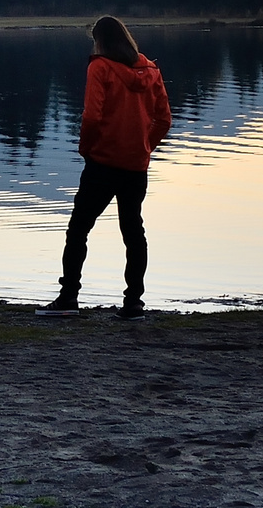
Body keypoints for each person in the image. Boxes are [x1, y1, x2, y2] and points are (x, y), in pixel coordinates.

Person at [37, 16, 171, 320]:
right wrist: (145, 147)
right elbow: (164, 120)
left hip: (103, 163)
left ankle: (69, 297)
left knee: (78, 230)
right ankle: (134, 303)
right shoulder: (150, 70)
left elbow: (92, 117)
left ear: (101, 41)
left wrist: (87, 149)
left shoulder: (99, 67)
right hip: (136, 167)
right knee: (133, 232)